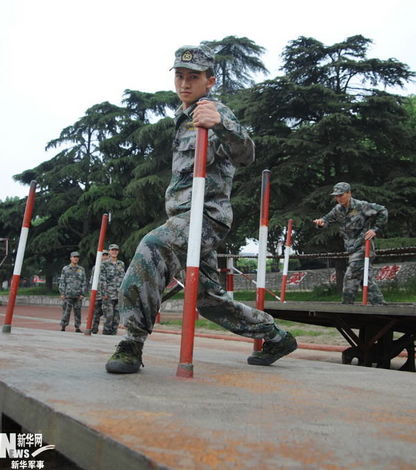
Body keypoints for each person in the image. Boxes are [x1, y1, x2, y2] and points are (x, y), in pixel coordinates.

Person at [105, 45, 297, 374]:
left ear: (210, 81)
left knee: (152, 247)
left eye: (193, 77)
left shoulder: (213, 110)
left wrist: (221, 124)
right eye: (179, 76)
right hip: (182, 217)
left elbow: (246, 153)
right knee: (208, 299)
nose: (184, 83)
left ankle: (131, 343)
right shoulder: (183, 117)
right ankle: (275, 336)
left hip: (206, 218)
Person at [313, 182, 388, 305]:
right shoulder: (338, 209)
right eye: (336, 196)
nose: (338, 198)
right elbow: (326, 220)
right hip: (351, 249)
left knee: (350, 276)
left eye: (341, 195)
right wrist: (320, 223)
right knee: (364, 279)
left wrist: (375, 229)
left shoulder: (361, 206)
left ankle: (346, 308)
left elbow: (383, 211)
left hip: (364, 247)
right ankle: (380, 305)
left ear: (349, 193)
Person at [58, 251, 86, 332]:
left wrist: (82, 293)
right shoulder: (65, 269)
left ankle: (77, 327)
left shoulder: (81, 269)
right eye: (74, 257)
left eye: (77, 257)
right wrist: (62, 293)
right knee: (66, 311)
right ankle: (63, 326)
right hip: (68, 294)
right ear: (71, 258)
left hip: (78, 295)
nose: (76, 258)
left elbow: (84, 282)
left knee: (78, 312)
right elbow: (62, 281)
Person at [101, 244, 125, 335]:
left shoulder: (121, 264)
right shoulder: (104, 264)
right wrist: (104, 293)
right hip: (108, 294)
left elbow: (124, 278)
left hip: (119, 294)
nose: (114, 252)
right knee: (108, 316)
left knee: (117, 317)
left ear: (118, 252)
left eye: (116, 250)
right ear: (109, 252)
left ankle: (113, 335)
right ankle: (106, 335)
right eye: (112, 250)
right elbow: (102, 280)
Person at [89, 249, 109, 334]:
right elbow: (92, 280)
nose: (104, 257)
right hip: (98, 295)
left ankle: (107, 330)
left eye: (106, 255)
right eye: (103, 255)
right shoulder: (96, 267)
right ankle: (94, 329)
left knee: (107, 313)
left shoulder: (110, 266)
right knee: (96, 313)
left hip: (107, 294)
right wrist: (91, 292)